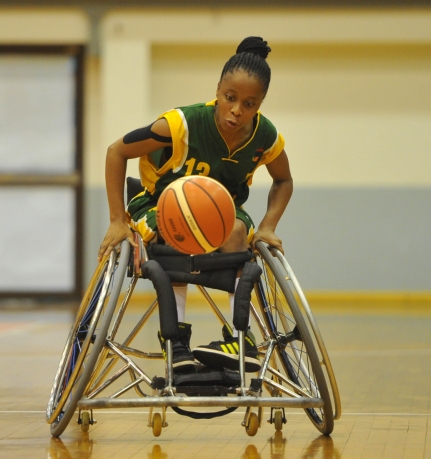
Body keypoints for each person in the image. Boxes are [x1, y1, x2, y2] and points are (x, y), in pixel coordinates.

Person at [98, 36, 293, 374]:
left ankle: (240, 338)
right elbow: (117, 152)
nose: (237, 110)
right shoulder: (180, 125)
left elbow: (283, 180)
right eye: (230, 98)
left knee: (235, 231)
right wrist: (118, 219)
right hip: (160, 204)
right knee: (179, 231)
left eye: (249, 104)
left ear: (260, 103)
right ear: (218, 89)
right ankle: (175, 337)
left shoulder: (265, 137)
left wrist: (267, 227)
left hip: (222, 210)